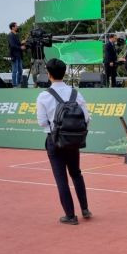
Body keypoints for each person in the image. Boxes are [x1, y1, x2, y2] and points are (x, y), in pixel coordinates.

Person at [36, 58, 92, 224]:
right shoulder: (75, 93)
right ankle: (85, 209)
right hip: (73, 140)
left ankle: (70, 215)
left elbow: (42, 122)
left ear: (49, 74)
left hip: (54, 140)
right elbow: (87, 118)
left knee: (61, 178)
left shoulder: (44, 96)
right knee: (76, 173)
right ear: (64, 72)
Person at [8, 22, 25, 87]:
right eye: (16, 26)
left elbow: (17, 44)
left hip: (19, 55)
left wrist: (21, 43)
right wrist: (20, 47)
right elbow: (12, 45)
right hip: (14, 56)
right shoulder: (10, 35)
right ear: (12, 27)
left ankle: (18, 83)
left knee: (20, 70)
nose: (17, 27)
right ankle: (14, 84)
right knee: (14, 71)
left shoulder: (16, 35)